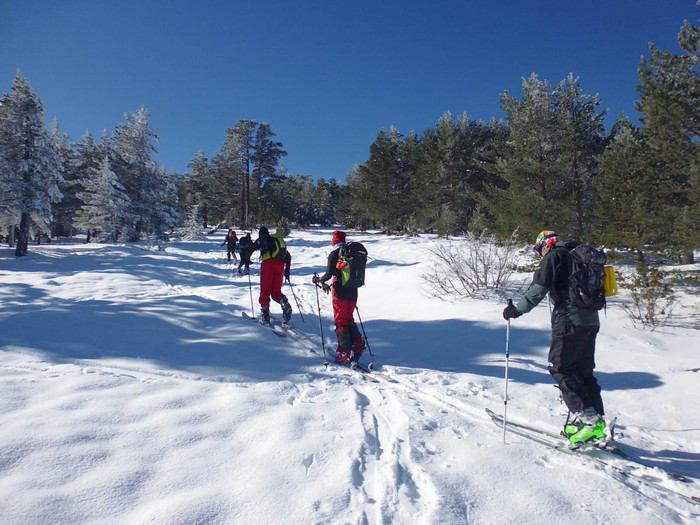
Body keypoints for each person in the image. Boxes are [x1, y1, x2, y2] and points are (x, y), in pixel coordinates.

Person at [503, 230, 606, 446]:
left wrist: (516, 311)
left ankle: (588, 421)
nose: (540, 254)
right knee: (583, 372)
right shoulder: (581, 256)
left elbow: (538, 289)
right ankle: (596, 422)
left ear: (546, 244)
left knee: (560, 368)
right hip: (591, 321)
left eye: (539, 249)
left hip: (568, 320)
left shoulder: (555, 256)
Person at [312, 230, 364, 365]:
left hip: (340, 290)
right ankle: (357, 346)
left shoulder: (335, 253)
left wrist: (320, 280)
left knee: (340, 320)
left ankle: (344, 352)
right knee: (349, 318)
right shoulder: (351, 253)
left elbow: (329, 274)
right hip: (353, 290)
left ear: (333, 241)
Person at [249, 226, 292, 325]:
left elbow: (251, 249)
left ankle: (265, 318)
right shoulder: (276, 241)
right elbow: (288, 256)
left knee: (265, 291)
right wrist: (287, 272)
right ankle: (285, 304)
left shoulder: (262, 239)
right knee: (276, 292)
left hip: (268, 265)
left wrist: (246, 259)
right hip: (280, 265)